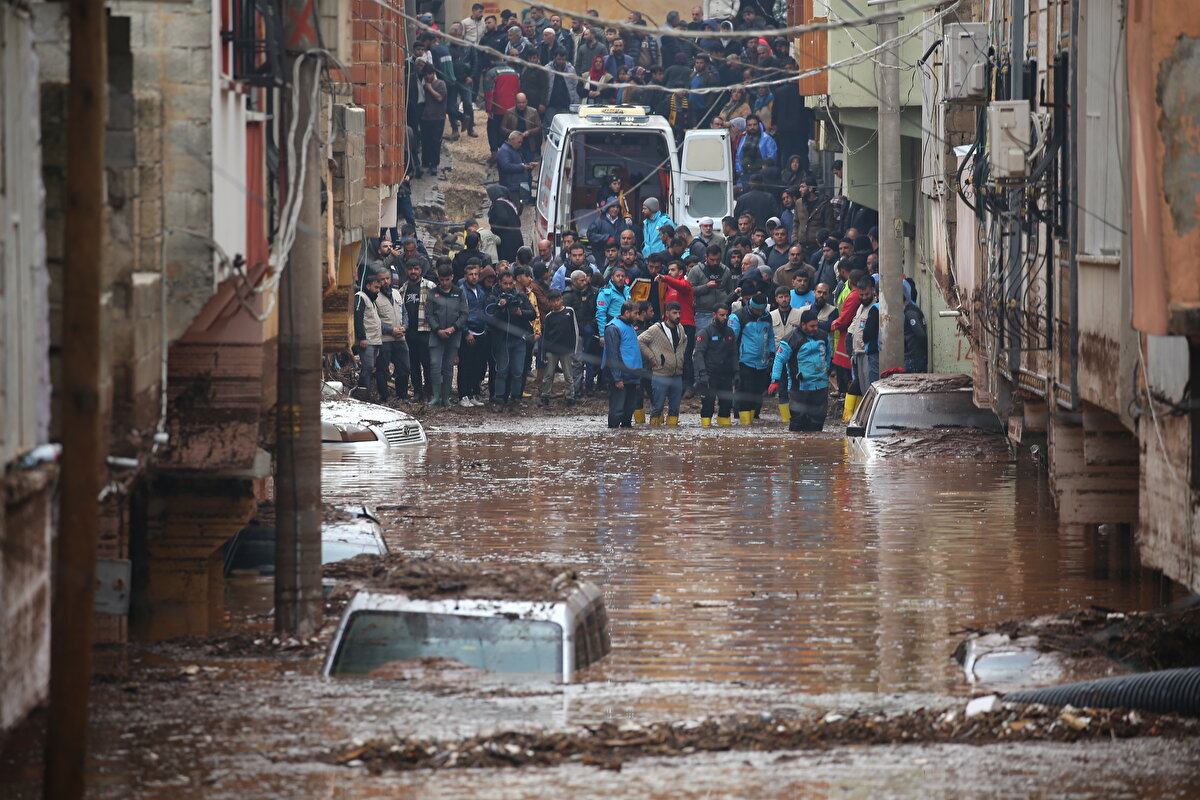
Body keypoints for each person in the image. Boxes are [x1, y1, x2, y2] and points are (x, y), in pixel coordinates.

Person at [769, 309, 831, 432]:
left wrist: (826, 369)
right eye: (812, 326)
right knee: (798, 421)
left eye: (816, 325)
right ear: (803, 325)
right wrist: (775, 380)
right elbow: (779, 360)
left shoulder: (823, 336)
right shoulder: (790, 339)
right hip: (800, 387)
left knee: (818, 421)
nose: (815, 328)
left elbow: (828, 354)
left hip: (820, 386)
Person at [485, 268, 536, 410]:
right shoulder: (492, 297)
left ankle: (516, 398)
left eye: (510, 283)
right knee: (502, 371)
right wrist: (500, 307)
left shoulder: (520, 296)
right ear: (499, 283)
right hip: (501, 340)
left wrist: (520, 312)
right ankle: (499, 398)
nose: (507, 286)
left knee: (518, 371)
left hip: (518, 339)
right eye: (505, 284)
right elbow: (488, 317)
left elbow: (532, 313)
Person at [423, 266, 468, 406]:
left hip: (453, 334)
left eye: (447, 280)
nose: (444, 283)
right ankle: (436, 396)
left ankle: (446, 397)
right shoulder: (432, 293)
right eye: (441, 280)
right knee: (435, 364)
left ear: (452, 277)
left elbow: (464, 313)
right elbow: (429, 314)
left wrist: (453, 328)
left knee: (448, 366)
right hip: (437, 334)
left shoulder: (459, 293)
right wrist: (438, 330)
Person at [638, 301, 687, 425]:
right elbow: (640, 341)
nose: (678, 316)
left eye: (679, 313)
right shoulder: (656, 328)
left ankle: (673, 437)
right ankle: (654, 434)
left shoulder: (680, 328)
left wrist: (680, 357)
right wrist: (651, 357)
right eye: (674, 313)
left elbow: (684, 340)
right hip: (660, 374)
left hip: (677, 374)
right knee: (657, 408)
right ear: (667, 313)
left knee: (675, 409)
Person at [728, 293, 775, 425]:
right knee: (744, 392)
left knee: (758, 393)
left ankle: (754, 421)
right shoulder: (738, 317)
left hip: (762, 362)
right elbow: (732, 340)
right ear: (750, 306)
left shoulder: (767, 316)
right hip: (744, 361)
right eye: (757, 310)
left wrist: (772, 354)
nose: (760, 313)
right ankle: (743, 422)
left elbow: (770, 336)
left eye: (762, 310)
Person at [693, 304, 737, 426]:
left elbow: (734, 353)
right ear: (714, 315)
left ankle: (724, 437)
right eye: (721, 315)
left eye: (726, 315)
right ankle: (706, 434)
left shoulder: (730, 332)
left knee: (726, 406)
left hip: (726, 376)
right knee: (707, 406)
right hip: (710, 375)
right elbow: (699, 354)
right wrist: (702, 373)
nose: (725, 317)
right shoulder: (705, 332)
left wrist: (736, 372)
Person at [603, 301, 643, 428]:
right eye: (635, 313)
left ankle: (626, 441)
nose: (637, 316)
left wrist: (637, 378)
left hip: (632, 374)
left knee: (629, 410)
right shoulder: (613, 328)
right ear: (627, 313)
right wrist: (617, 378)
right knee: (617, 409)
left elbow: (634, 352)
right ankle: (613, 439)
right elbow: (612, 355)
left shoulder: (630, 326)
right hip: (620, 375)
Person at [400, 260, 436, 401]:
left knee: (427, 363)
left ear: (421, 270)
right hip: (409, 333)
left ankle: (429, 391)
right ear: (406, 271)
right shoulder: (403, 289)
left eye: (416, 268)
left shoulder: (430, 286)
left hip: (425, 331)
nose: (413, 271)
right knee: (412, 364)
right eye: (410, 268)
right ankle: (417, 392)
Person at [374, 266, 410, 402]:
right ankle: (384, 397)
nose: (385, 282)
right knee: (382, 370)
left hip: (401, 338)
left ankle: (402, 396)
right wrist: (391, 330)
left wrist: (404, 327)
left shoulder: (396, 293)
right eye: (382, 279)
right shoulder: (374, 296)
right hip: (384, 339)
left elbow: (404, 313)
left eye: (387, 278)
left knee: (405, 368)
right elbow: (374, 320)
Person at [563, 268, 600, 396]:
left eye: (586, 279)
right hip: (576, 331)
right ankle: (576, 389)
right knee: (577, 361)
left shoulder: (593, 292)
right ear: (574, 281)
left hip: (589, 328)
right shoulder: (568, 295)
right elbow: (566, 315)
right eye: (582, 280)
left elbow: (597, 311)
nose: (585, 282)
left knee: (589, 358)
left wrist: (592, 324)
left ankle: (589, 386)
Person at [769, 285, 803, 422]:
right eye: (781, 297)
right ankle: (786, 419)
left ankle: (797, 415)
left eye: (786, 296)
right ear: (776, 299)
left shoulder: (799, 314)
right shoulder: (771, 316)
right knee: (782, 388)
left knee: (796, 387)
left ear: (790, 297)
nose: (784, 300)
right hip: (779, 356)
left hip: (796, 358)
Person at [457, 263, 490, 406]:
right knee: (465, 365)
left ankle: (474, 394)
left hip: (481, 331)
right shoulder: (462, 291)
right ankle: (463, 394)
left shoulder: (481, 290)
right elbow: (460, 313)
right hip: (469, 331)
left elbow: (484, 310)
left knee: (478, 364)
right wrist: (466, 332)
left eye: (476, 274)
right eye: (471, 274)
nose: (474, 277)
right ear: (465, 276)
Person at [352, 272, 386, 402]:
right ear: (367, 286)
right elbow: (358, 318)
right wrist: (362, 338)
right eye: (375, 288)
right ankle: (362, 396)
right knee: (367, 367)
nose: (378, 290)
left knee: (371, 368)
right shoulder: (361, 297)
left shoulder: (371, 299)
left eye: (379, 288)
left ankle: (368, 394)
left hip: (375, 340)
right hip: (368, 340)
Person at [483, 55, 521, 157]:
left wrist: (488, 109)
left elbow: (488, 93)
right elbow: (518, 89)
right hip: (512, 109)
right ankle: (509, 153)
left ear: (492, 61)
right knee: (509, 131)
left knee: (493, 129)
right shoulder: (514, 72)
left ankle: (495, 152)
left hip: (497, 109)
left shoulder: (491, 73)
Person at [849, 276, 880, 394]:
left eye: (866, 294)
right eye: (861, 295)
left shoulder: (875, 308)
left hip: (867, 354)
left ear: (872, 290)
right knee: (862, 388)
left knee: (869, 387)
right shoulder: (861, 306)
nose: (864, 297)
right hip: (857, 354)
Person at [486, 184, 523, 264]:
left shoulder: (499, 204)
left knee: (507, 262)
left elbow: (503, 218)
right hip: (514, 237)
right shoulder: (507, 203)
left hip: (507, 240)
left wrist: (494, 229)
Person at [595, 265, 631, 331]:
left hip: (626, 326)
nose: (620, 278)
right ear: (612, 278)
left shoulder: (627, 290)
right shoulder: (606, 292)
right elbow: (601, 314)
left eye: (622, 276)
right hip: (613, 327)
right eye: (618, 276)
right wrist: (603, 333)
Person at [904, 290, 928, 373]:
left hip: (914, 357)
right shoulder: (910, 311)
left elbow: (920, 334)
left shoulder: (910, 313)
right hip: (914, 356)